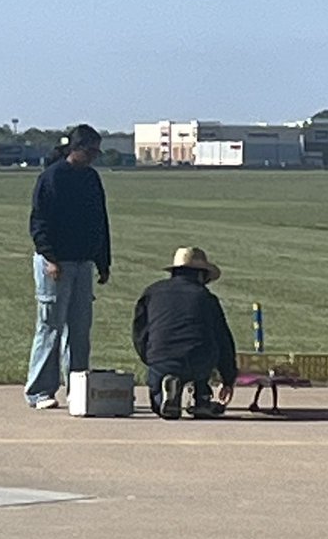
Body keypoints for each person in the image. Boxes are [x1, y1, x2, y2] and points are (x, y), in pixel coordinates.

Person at [24, 125, 111, 409]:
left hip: (83, 261)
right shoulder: (52, 178)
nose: (94, 157)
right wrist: (49, 257)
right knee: (51, 326)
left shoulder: (91, 179)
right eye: (91, 151)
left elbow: (100, 221)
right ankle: (40, 391)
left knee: (79, 329)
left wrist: (103, 260)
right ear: (77, 148)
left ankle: (78, 388)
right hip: (55, 263)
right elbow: (39, 223)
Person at [132, 247, 237, 419]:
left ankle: (164, 396)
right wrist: (228, 378)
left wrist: (150, 358)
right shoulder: (206, 298)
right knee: (202, 355)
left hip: (162, 358)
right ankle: (202, 398)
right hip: (199, 360)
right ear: (201, 275)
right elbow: (223, 340)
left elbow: (139, 333)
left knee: (158, 399)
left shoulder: (151, 293)